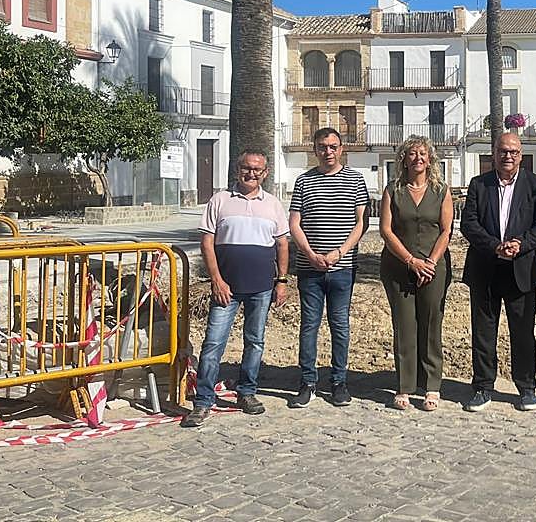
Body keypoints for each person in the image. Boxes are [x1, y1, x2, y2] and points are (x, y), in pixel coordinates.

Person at [182, 151, 289, 428]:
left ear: (265, 173)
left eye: (257, 169)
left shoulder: (274, 205)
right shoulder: (219, 201)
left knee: (255, 342)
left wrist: (282, 281)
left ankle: (247, 392)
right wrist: (216, 279)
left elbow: (282, 245)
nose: (251, 173)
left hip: (262, 287)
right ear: (237, 169)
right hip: (225, 288)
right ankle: (203, 401)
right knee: (213, 343)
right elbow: (207, 243)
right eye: (246, 168)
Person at [459, 132, 536, 412]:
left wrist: (520, 244)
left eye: (513, 152)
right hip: (485, 268)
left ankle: (526, 388)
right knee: (483, 332)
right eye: (502, 151)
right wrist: (495, 246)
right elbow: (469, 224)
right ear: (494, 154)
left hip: (521, 270)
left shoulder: (535, 184)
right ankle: (483, 387)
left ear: (521, 155)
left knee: (522, 333)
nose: (508, 156)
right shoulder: (479, 184)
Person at [288, 127, 369, 407]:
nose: (328, 151)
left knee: (340, 325)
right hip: (309, 268)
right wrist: (309, 254)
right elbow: (294, 223)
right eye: (323, 146)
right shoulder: (303, 181)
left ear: (341, 148)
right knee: (309, 325)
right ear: (315, 150)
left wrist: (340, 252)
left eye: (333, 146)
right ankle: (307, 382)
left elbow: (361, 223)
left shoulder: (356, 180)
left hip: (342, 268)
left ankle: (339, 382)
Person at [379, 136, 454, 411]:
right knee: (405, 326)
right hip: (399, 267)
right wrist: (412, 261)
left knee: (432, 324)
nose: (418, 158)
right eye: (412, 153)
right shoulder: (393, 190)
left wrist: (430, 262)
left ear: (430, 158)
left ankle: (432, 386)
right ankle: (405, 386)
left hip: (434, 269)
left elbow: (446, 229)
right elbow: (386, 230)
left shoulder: (441, 190)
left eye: (423, 153)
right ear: (404, 159)